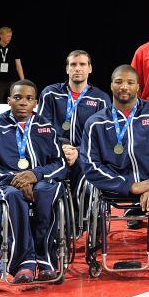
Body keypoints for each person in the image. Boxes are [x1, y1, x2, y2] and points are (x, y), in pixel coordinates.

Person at [0, 80, 67, 283]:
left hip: (41, 181)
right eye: (17, 97)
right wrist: (15, 179)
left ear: (35, 102)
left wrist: (35, 175)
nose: (23, 102)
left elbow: (60, 164)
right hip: (9, 184)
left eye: (28, 98)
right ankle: (23, 263)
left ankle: (46, 260)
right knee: (14, 196)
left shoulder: (46, 127)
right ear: (8, 101)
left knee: (46, 193)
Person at [80, 65, 149, 227]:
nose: (124, 87)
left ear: (138, 87)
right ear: (111, 85)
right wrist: (130, 186)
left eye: (130, 82)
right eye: (119, 82)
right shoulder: (96, 122)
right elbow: (90, 165)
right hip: (115, 187)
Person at [37, 50, 112, 203]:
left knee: (85, 166)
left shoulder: (101, 99)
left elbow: (102, 137)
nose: (77, 68)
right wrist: (61, 148)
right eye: (73, 64)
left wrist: (78, 151)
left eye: (82, 64)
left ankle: (78, 215)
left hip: (85, 154)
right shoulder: (50, 93)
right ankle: (53, 210)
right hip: (55, 152)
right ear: (67, 69)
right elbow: (42, 130)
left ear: (90, 68)